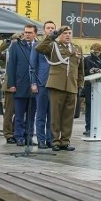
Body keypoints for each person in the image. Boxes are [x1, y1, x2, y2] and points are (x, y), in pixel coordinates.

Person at [35, 25, 84, 151]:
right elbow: (39, 48)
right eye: (65, 33)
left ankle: (65, 141)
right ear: (60, 35)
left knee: (68, 117)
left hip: (71, 86)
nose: (67, 35)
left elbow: (80, 70)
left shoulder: (77, 49)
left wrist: (79, 85)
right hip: (56, 85)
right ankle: (55, 141)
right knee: (55, 115)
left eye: (69, 33)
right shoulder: (53, 46)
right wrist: (53, 35)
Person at [7, 25, 39, 146]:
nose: (27, 35)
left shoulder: (38, 46)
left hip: (34, 86)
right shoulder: (16, 46)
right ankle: (19, 137)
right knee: (19, 114)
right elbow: (11, 66)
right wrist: (11, 84)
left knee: (31, 114)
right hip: (20, 85)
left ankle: (29, 136)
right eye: (25, 32)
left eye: (30, 32)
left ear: (35, 33)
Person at [30, 21, 55, 149]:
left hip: (55, 84)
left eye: (52, 28)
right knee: (41, 114)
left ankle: (50, 139)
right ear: (44, 30)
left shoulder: (57, 45)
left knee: (52, 114)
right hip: (42, 83)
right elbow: (32, 66)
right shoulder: (38, 45)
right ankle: (41, 140)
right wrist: (33, 82)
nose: (50, 30)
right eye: (48, 28)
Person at [82, 42, 101, 136]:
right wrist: (89, 71)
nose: (95, 54)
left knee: (100, 107)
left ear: (100, 51)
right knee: (89, 107)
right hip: (89, 86)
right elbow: (82, 71)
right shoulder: (87, 59)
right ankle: (88, 127)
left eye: (97, 53)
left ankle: (99, 126)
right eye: (94, 52)